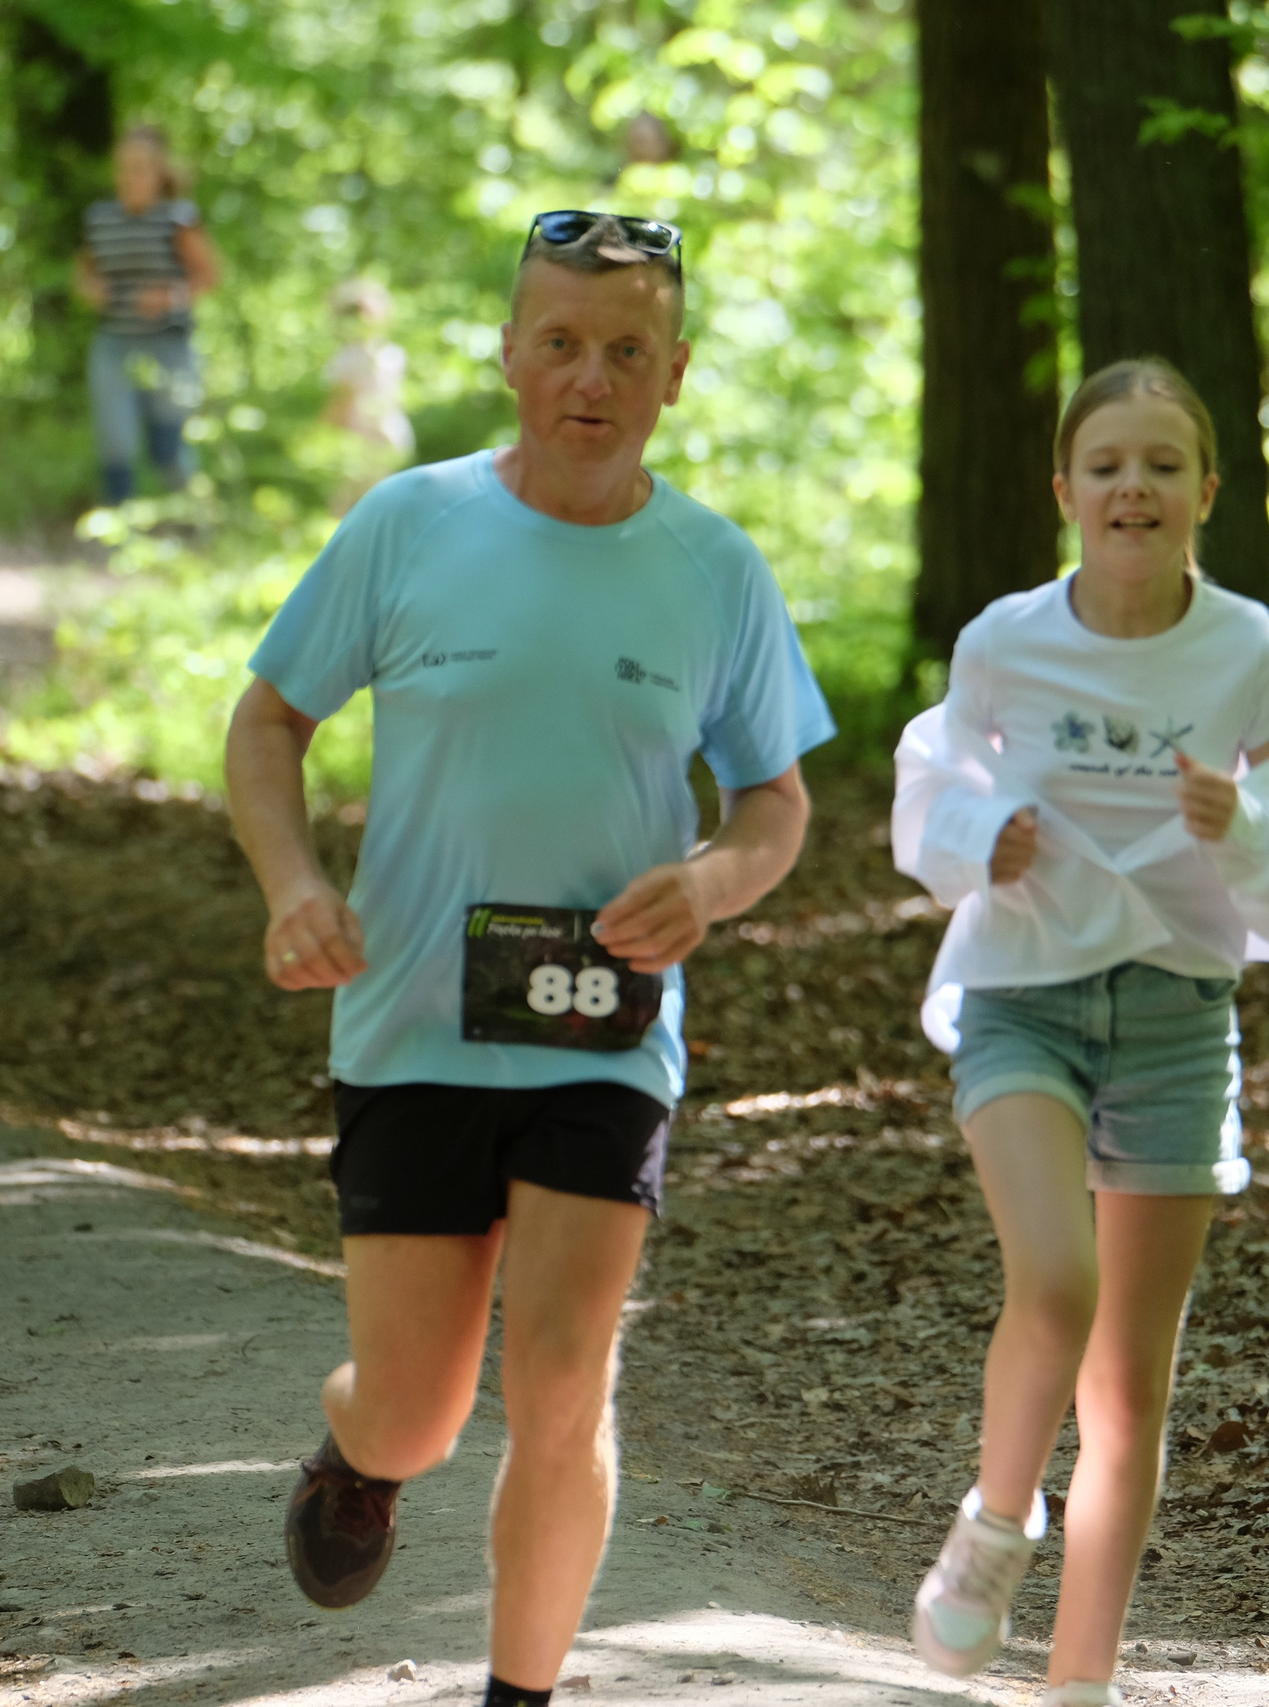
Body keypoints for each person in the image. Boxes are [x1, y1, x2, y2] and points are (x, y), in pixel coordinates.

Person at [224, 211, 833, 1707]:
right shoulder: (408, 524)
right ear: (508, 355)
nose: (591, 377)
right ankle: (360, 1445)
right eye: (560, 342)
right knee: (424, 1413)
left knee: (564, 1383)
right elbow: (266, 724)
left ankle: (523, 1693)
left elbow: (776, 803)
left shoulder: (712, 567)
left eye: (628, 350)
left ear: (675, 373)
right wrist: (294, 882)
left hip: (603, 1032)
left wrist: (715, 877)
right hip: (415, 1020)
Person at [890, 358, 1269, 1707]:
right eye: (1107, 463)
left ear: (1208, 493)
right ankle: (994, 1524)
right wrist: (988, 835)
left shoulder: (1244, 653)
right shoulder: (1003, 642)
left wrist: (1248, 826)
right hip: (1023, 989)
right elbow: (935, 781)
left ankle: (1081, 1678)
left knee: (1130, 1385)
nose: (1134, 487)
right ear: (1064, 490)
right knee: (1055, 1280)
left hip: (1176, 1014)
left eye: (1163, 464)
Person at [75, 124, 221, 503]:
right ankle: (118, 534)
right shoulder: (99, 218)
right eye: (124, 167)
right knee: (115, 442)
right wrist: (92, 289)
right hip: (114, 344)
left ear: (159, 172)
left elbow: (210, 276)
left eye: (140, 167)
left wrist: (169, 296)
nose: (131, 176)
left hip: (169, 346)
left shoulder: (179, 217)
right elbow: (83, 273)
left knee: (168, 449)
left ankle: (193, 527)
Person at [319, 277, 414, 514]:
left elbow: (339, 406)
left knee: (350, 510)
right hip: (393, 437)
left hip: (361, 443)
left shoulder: (348, 359)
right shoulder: (393, 354)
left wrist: (317, 440)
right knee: (384, 507)